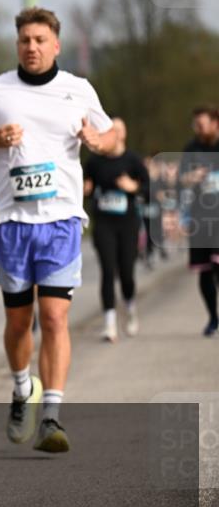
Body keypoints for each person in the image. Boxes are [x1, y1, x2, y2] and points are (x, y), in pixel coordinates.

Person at [0, 7, 116, 454]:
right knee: (18, 320)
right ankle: (23, 387)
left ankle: (52, 415)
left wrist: (98, 142)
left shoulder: (78, 90)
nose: (32, 46)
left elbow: (111, 136)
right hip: (10, 222)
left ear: (56, 45)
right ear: (17, 44)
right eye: (25, 39)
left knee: (55, 317)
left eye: (41, 39)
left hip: (61, 219)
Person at [83, 118, 149, 342]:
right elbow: (84, 186)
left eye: (119, 129)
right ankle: (109, 323)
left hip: (128, 222)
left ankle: (130, 307)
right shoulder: (94, 162)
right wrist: (86, 190)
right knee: (108, 270)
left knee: (127, 273)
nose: (116, 134)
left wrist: (134, 187)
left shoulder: (133, 160)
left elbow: (149, 189)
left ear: (125, 134)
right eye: (111, 130)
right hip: (103, 223)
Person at [179, 105, 219, 336]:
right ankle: (213, 317)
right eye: (195, 125)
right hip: (200, 217)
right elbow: (181, 181)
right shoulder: (191, 149)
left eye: (201, 125)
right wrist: (191, 177)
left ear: (215, 123)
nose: (198, 129)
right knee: (205, 271)